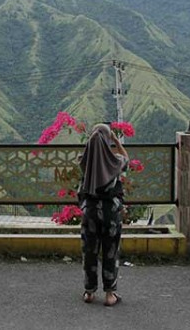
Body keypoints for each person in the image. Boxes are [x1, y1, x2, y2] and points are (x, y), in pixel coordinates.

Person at [78, 123, 129, 307]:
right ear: (107, 140)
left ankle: (89, 292)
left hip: (90, 214)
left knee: (90, 253)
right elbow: (126, 158)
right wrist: (116, 140)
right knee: (110, 252)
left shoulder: (85, 163)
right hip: (111, 215)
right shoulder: (115, 161)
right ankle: (110, 294)